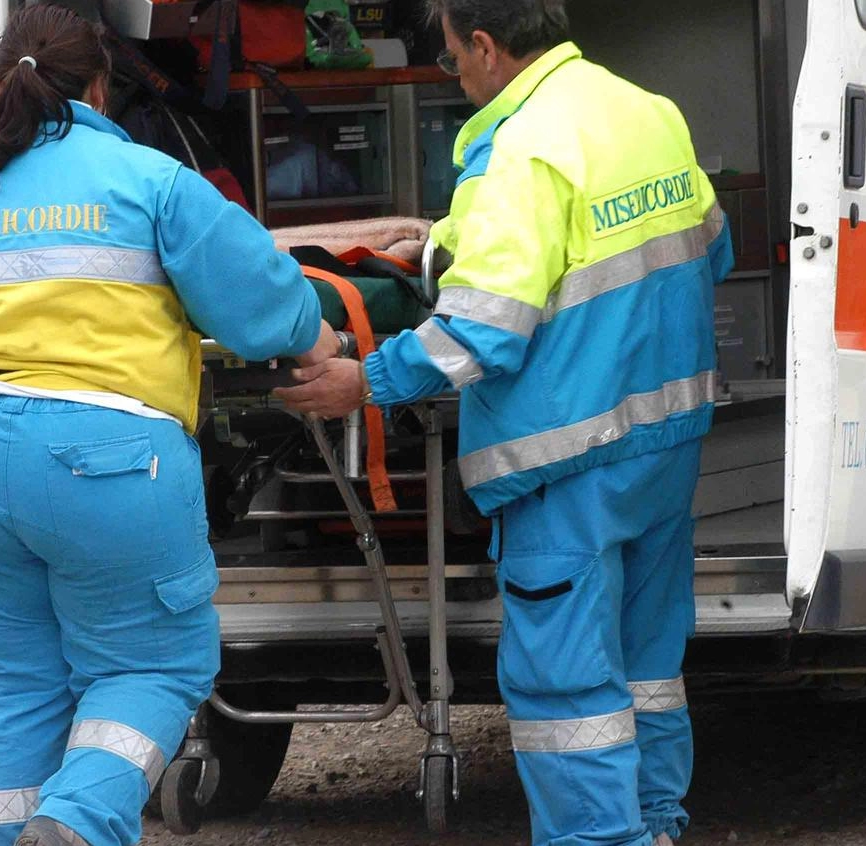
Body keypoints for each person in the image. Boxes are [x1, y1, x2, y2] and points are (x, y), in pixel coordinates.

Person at [0, 5, 338, 846]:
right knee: (152, 663)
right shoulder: (150, 180)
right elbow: (269, 314)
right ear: (99, 89)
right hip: (105, 461)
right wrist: (321, 332)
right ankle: (75, 824)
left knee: (14, 682)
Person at [276, 1, 734, 844]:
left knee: (568, 693)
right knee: (646, 669)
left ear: (485, 46)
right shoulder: (647, 111)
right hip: (664, 442)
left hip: (564, 461)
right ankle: (659, 825)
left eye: (450, 59)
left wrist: (365, 380)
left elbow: (481, 330)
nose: (455, 74)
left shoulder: (522, 150)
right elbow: (712, 247)